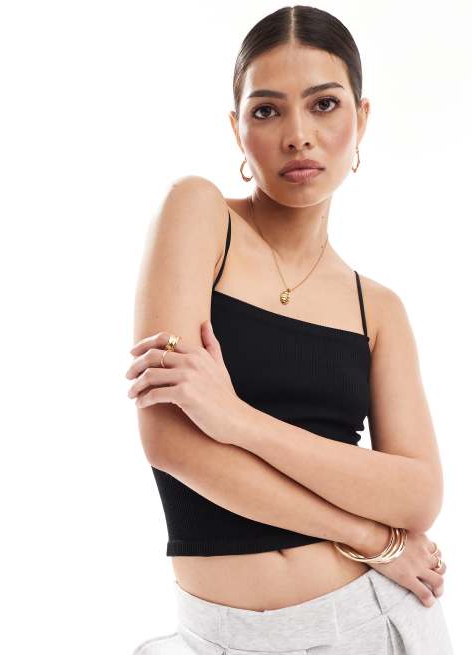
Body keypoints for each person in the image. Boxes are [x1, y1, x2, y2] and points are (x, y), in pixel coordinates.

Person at [126, 5, 454, 654]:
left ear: (361, 119)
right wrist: (368, 536)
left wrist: (235, 419)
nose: (298, 135)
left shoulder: (377, 309)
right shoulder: (199, 215)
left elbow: (418, 496)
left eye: (324, 105)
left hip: (373, 624)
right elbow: (171, 442)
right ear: (237, 128)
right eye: (267, 110)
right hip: (218, 636)